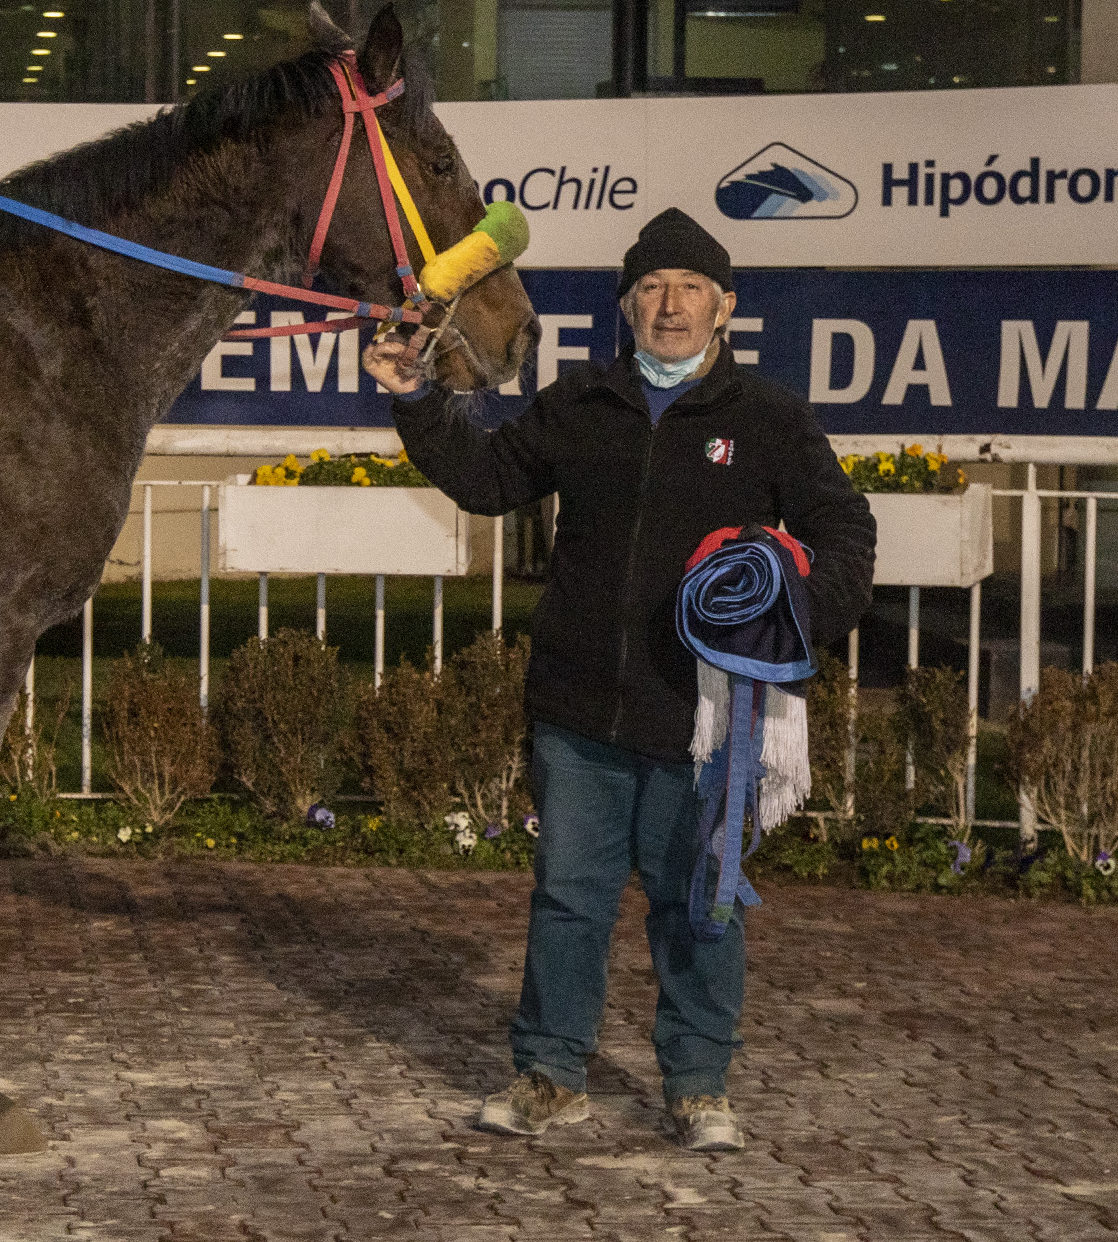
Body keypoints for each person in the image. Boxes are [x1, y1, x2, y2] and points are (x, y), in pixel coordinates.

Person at [364, 206, 875, 1153]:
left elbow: (845, 531)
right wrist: (416, 400)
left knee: (699, 907)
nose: (669, 306)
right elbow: (487, 479)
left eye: (689, 289)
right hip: (578, 710)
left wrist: (795, 613)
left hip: (701, 719)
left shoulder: (767, 418)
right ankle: (551, 1074)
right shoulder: (580, 402)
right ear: (626, 306)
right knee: (569, 900)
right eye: (650, 289)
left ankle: (699, 1084)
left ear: (725, 305)